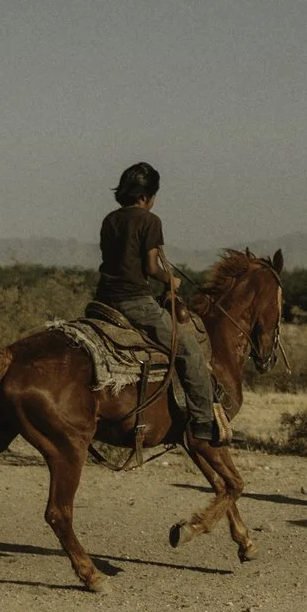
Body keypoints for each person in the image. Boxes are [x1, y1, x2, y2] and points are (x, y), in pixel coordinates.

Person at [94, 162, 226, 444]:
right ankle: (203, 422)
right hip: (134, 302)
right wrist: (171, 281)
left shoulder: (110, 220)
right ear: (145, 196)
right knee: (189, 349)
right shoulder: (149, 221)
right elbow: (151, 267)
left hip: (103, 301)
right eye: (153, 195)